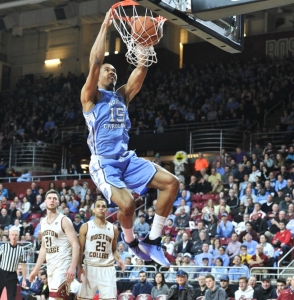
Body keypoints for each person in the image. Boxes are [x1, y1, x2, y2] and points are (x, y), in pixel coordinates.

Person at [81, 9, 179, 267]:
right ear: (98, 76)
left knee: (172, 182)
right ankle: (131, 241)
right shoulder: (90, 97)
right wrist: (104, 25)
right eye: (108, 70)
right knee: (127, 205)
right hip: (104, 163)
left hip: (126, 158)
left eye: (114, 71)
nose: (112, 73)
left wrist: (145, 45)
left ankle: (154, 241)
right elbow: (94, 61)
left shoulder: (121, 96)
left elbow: (140, 70)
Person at [29, 189, 80, 300]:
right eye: (50, 198)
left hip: (63, 264)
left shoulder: (64, 220)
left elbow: (75, 244)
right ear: (45, 201)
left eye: (55, 198)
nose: (52, 200)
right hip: (51, 265)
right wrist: (36, 269)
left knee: (55, 298)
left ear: (58, 202)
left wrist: (72, 267)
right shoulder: (43, 222)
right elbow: (44, 248)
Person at [77, 198, 125, 300]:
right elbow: (80, 249)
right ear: (93, 210)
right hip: (89, 267)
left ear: (107, 210)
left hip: (107, 268)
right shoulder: (85, 226)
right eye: (98, 206)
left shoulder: (114, 229)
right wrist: (79, 267)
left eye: (103, 206)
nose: (101, 208)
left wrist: (119, 260)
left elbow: (114, 250)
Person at [0, 227, 27, 300]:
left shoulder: (21, 250)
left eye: (16, 235)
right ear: (9, 236)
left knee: (12, 297)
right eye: (12, 235)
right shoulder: (3, 247)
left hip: (12, 276)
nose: (14, 236)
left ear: (18, 237)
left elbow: (23, 265)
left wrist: (24, 279)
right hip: (1, 274)